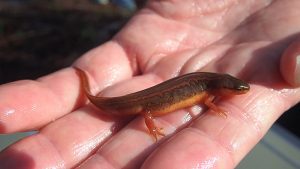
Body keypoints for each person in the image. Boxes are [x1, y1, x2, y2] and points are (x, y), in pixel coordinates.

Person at [0, 1, 300, 168]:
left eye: (238, 89)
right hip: (146, 104)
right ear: (223, 87)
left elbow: (209, 99)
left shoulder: (212, 87)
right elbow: (200, 99)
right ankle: (92, 90)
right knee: (148, 107)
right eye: (236, 89)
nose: (239, 92)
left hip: (163, 95)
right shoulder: (209, 87)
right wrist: (152, 126)